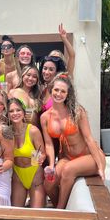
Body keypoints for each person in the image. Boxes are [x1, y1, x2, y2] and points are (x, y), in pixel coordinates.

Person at [40, 72, 106, 209]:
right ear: (51, 90)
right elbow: (48, 144)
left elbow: (89, 139)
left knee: (68, 170)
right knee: (48, 184)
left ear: (68, 94)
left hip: (89, 156)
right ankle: (64, 206)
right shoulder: (45, 117)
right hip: (68, 157)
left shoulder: (77, 111)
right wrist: (52, 165)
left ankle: (60, 211)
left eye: (63, 91)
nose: (59, 94)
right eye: (56, 90)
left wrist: (100, 167)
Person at [8, 98, 46, 208]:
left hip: (34, 174)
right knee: (16, 214)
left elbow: (42, 153)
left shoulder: (33, 130)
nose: (15, 113)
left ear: (24, 113)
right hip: (18, 176)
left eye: (18, 110)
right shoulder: (7, 133)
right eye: (11, 111)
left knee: (36, 215)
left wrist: (40, 159)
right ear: (8, 114)